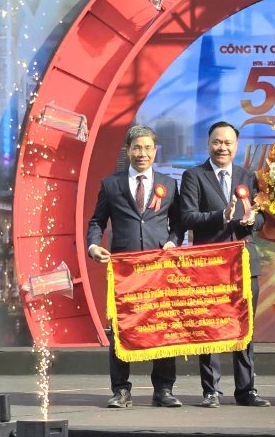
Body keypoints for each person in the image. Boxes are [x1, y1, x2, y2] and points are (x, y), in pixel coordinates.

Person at [87, 125, 184, 409]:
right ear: (128, 151)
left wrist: (173, 242)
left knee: (163, 326)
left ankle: (163, 390)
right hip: (123, 270)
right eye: (137, 148)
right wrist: (93, 246)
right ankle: (121, 391)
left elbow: (177, 223)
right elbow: (96, 222)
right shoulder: (111, 184)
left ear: (156, 151)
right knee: (121, 328)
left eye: (148, 148)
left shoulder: (170, 184)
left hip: (158, 268)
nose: (142, 153)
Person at [179, 121, 270, 408]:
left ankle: (246, 391)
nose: (223, 148)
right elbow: (187, 217)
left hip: (243, 262)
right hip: (209, 264)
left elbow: (262, 217)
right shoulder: (194, 176)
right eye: (218, 142)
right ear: (209, 144)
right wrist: (221, 215)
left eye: (228, 143)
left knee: (246, 328)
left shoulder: (248, 176)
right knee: (209, 327)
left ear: (236, 146)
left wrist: (250, 220)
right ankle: (211, 391)